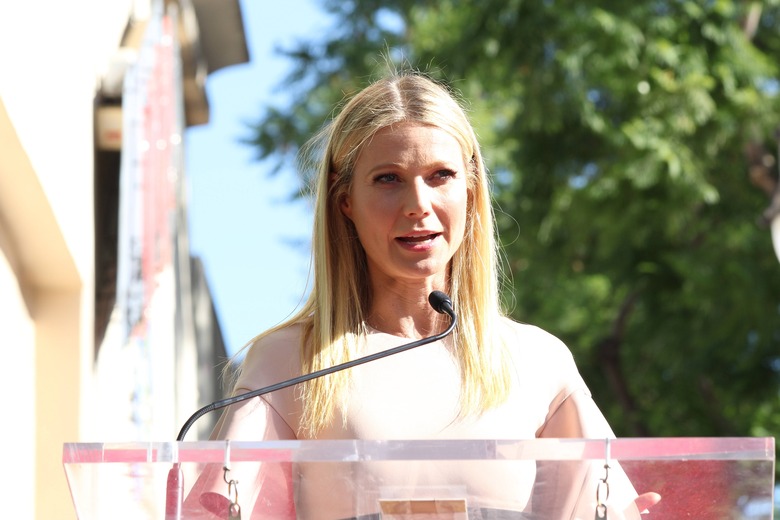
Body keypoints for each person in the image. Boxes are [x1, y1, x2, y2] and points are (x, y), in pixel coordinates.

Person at [184, 71, 659, 519]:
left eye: (440, 176)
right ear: (345, 201)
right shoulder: (289, 363)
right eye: (388, 179)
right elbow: (216, 510)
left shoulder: (537, 360)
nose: (418, 205)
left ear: (471, 191)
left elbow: (611, 507)